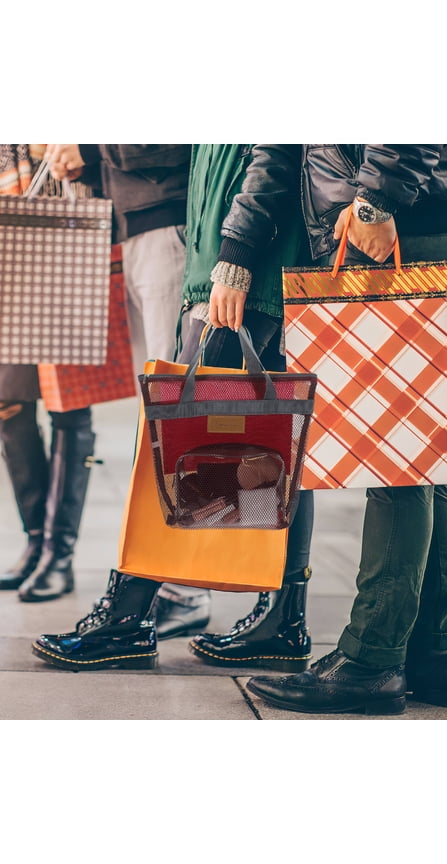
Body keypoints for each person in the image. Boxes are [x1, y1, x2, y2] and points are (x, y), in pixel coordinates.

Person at [31, 145, 316, 672]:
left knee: (172, 440)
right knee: (280, 443)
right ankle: (282, 618)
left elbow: (270, 160)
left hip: (241, 272)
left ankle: (128, 616)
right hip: (225, 267)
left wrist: (233, 258)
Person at [243, 144, 447, 716]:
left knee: (400, 456)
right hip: (409, 210)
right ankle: (431, 652)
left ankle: (373, 659)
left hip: (395, 213)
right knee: (419, 454)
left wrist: (377, 197)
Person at [45, 143, 211, 633]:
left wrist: (90, 147)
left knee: (174, 408)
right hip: (139, 225)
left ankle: (185, 586)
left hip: (166, 225)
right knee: (161, 408)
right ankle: (174, 581)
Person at [0, 144, 97, 603]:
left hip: (64, 240)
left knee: (69, 404)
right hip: (8, 248)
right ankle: (37, 539)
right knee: (8, 405)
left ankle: (59, 555)